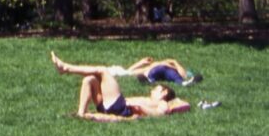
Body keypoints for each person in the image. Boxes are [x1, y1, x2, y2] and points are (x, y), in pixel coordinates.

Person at [51, 52, 189, 121]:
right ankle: (81, 113)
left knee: (103, 71)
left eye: (156, 89)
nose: (152, 90)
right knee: (90, 79)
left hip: (122, 108)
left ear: (164, 92)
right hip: (114, 107)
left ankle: (66, 68)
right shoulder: (151, 99)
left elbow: (163, 112)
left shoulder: (162, 103)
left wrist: (141, 109)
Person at [126, 57, 199, 85]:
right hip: (154, 71)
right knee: (152, 73)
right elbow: (129, 72)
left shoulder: (171, 66)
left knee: (173, 75)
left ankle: (184, 83)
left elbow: (184, 74)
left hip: (169, 71)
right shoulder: (150, 67)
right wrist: (141, 62)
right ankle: (149, 81)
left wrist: (175, 62)